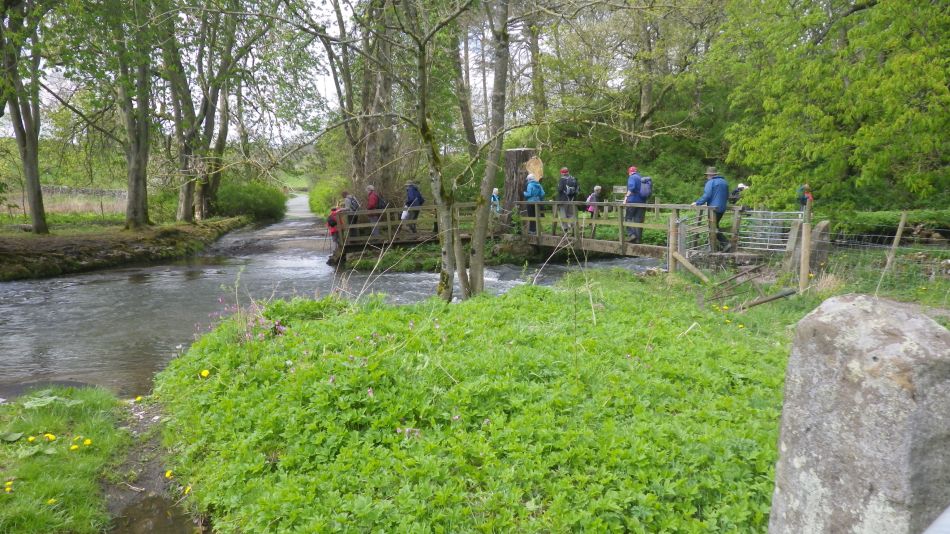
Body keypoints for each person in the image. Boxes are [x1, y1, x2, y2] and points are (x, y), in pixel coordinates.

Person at [692, 166, 731, 251]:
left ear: (710, 175)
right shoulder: (724, 182)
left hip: (713, 209)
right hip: (722, 208)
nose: (707, 177)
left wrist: (697, 203)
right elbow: (727, 195)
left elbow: (707, 195)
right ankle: (715, 246)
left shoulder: (710, 182)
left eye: (707, 175)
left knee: (712, 227)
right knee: (715, 226)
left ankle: (725, 243)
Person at [624, 166, 646, 243]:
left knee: (628, 218)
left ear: (630, 172)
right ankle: (638, 240)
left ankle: (632, 235)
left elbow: (631, 188)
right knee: (638, 221)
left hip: (632, 201)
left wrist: (626, 197)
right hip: (642, 202)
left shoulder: (632, 177)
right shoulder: (641, 178)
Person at [556, 167, 579, 232]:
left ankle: (565, 228)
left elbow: (560, 189)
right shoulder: (573, 179)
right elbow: (577, 190)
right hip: (572, 200)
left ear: (562, 173)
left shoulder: (562, 180)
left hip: (563, 200)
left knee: (563, 214)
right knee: (571, 214)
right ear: (568, 172)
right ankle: (574, 227)